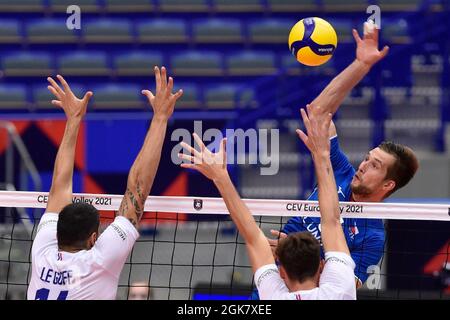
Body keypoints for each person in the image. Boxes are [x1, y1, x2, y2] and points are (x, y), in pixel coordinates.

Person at [263, 20, 419, 292]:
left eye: (375, 165)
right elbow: (319, 113)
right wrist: (361, 65)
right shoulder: (342, 171)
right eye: (368, 158)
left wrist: (296, 255)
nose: (363, 165)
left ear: (388, 184)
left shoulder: (373, 238)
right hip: (275, 279)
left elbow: (342, 290)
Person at [27, 67, 183, 300]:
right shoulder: (99, 261)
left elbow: (58, 188)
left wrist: (73, 120)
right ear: (93, 239)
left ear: (57, 233)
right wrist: (161, 118)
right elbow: (137, 187)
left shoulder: (42, 252)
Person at [179, 106, 356, 299]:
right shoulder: (340, 290)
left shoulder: (272, 296)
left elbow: (253, 236)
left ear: (281, 273)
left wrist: (220, 177)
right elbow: (331, 219)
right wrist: (322, 155)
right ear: (322, 266)